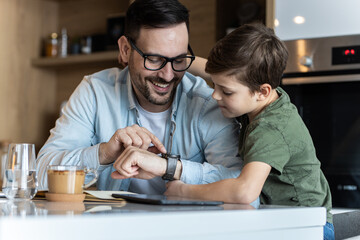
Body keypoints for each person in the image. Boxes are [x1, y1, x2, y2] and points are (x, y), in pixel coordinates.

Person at [118, 23, 334, 239]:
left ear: (262, 91)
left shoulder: (270, 128)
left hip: (307, 228)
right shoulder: (259, 93)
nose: (215, 96)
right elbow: (216, 72)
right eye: (215, 85)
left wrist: (185, 191)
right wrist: (174, 61)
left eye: (226, 92)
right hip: (283, 221)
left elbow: (244, 191)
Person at [36, 0, 248, 198]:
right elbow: (39, 175)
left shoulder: (206, 101)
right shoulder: (95, 92)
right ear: (126, 50)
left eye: (179, 60)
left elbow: (241, 184)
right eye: (154, 59)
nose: (167, 75)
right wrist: (104, 153)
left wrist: (170, 167)